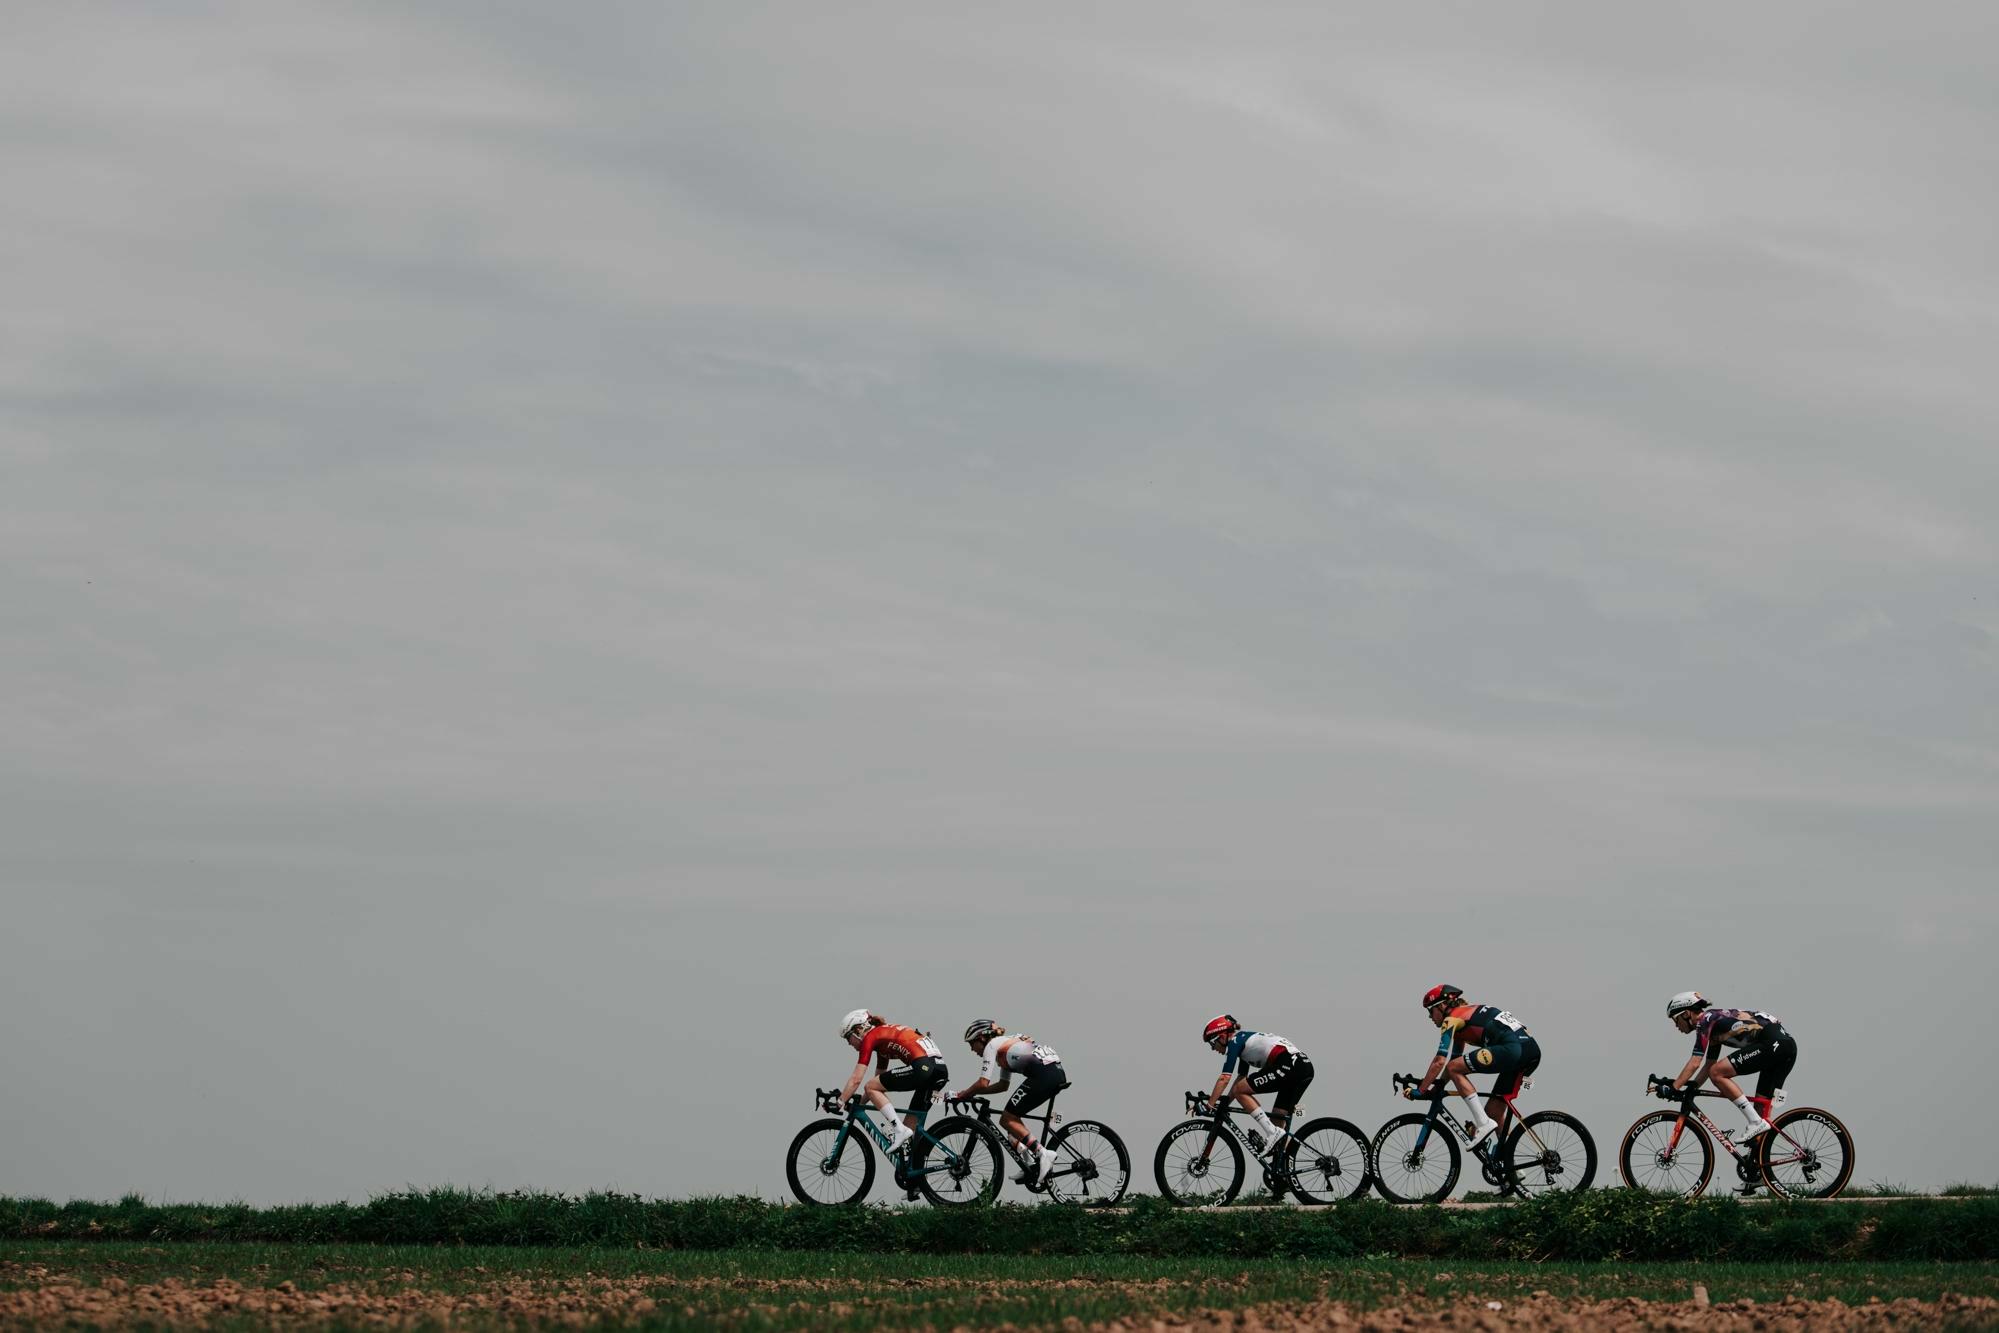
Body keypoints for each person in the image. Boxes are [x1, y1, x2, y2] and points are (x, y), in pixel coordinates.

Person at [1411, 984, 1539, 1149]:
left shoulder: (1451, 1020)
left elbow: (1440, 1062)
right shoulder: (1465, 1016)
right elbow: (1455, 1063)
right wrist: (1438, 1087)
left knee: (1454, 1068)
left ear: (1442, 1006)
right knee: (1494, 1110)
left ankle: (1482, 1123)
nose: (1429, 1017)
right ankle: (1511, 1166)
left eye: (1430, 1011)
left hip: (1512, 1049)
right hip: (1530, 1050)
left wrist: (1420, 1090)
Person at [1662, 992, 1795, 1145]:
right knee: (1760, 1112)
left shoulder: (1704, 1021)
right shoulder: (1714, 1026)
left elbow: (1695, 1062)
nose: (1675, 1025)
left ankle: (1755, 1123)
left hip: (1774, 1044)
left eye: (1675, 1019)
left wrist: (1673, 1087)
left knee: (1717, 1073)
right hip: (1786, 1047)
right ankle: (1759, 1163)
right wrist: (1693, 1086)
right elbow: (1709, 1064)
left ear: (1686, 1013)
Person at [948, 1019, 1063, 1186]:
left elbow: (982, 1083)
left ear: (981, 1038)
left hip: (1043, 1075)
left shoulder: (992, 1045)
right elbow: (1002, 1086)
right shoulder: (1005, 1046)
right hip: (1053, 1072)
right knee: (1011, 1120)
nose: (972, 1050)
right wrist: (970, 1094)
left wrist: (961, 1095)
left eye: (972, 1044)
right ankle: (1029, 1162)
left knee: (1006, 1118)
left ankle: (1043, 1153)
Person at [836, 1008, 947, 1156]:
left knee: (871, 1088)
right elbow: (878, 1084)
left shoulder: (870, 1038)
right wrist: (860, 1104)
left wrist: (840, 1101)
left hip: (923, 1067)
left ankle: (898, 1129)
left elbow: (857, 1080)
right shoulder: (882, 1040)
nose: (849, 1043)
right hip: (939, 1070)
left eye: (848, 1037)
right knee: (910, 1133)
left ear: (858, 1029)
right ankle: (915, 1170)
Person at [1201, 1014, 1314, 1154]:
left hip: (1290, 1065)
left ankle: (1272, 1132)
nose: (1213, 1049)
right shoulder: (1242, 1042)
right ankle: (1285, 1168)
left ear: (1222, 1037)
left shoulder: (1234, 1042)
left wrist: (1209, 1105)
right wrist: (1225, 1102)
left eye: (1213, 1043)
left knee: (1242, 1093)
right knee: (1277, 1118)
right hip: (1302, 1068)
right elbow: (1241, 1078)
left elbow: (1225, 1078)